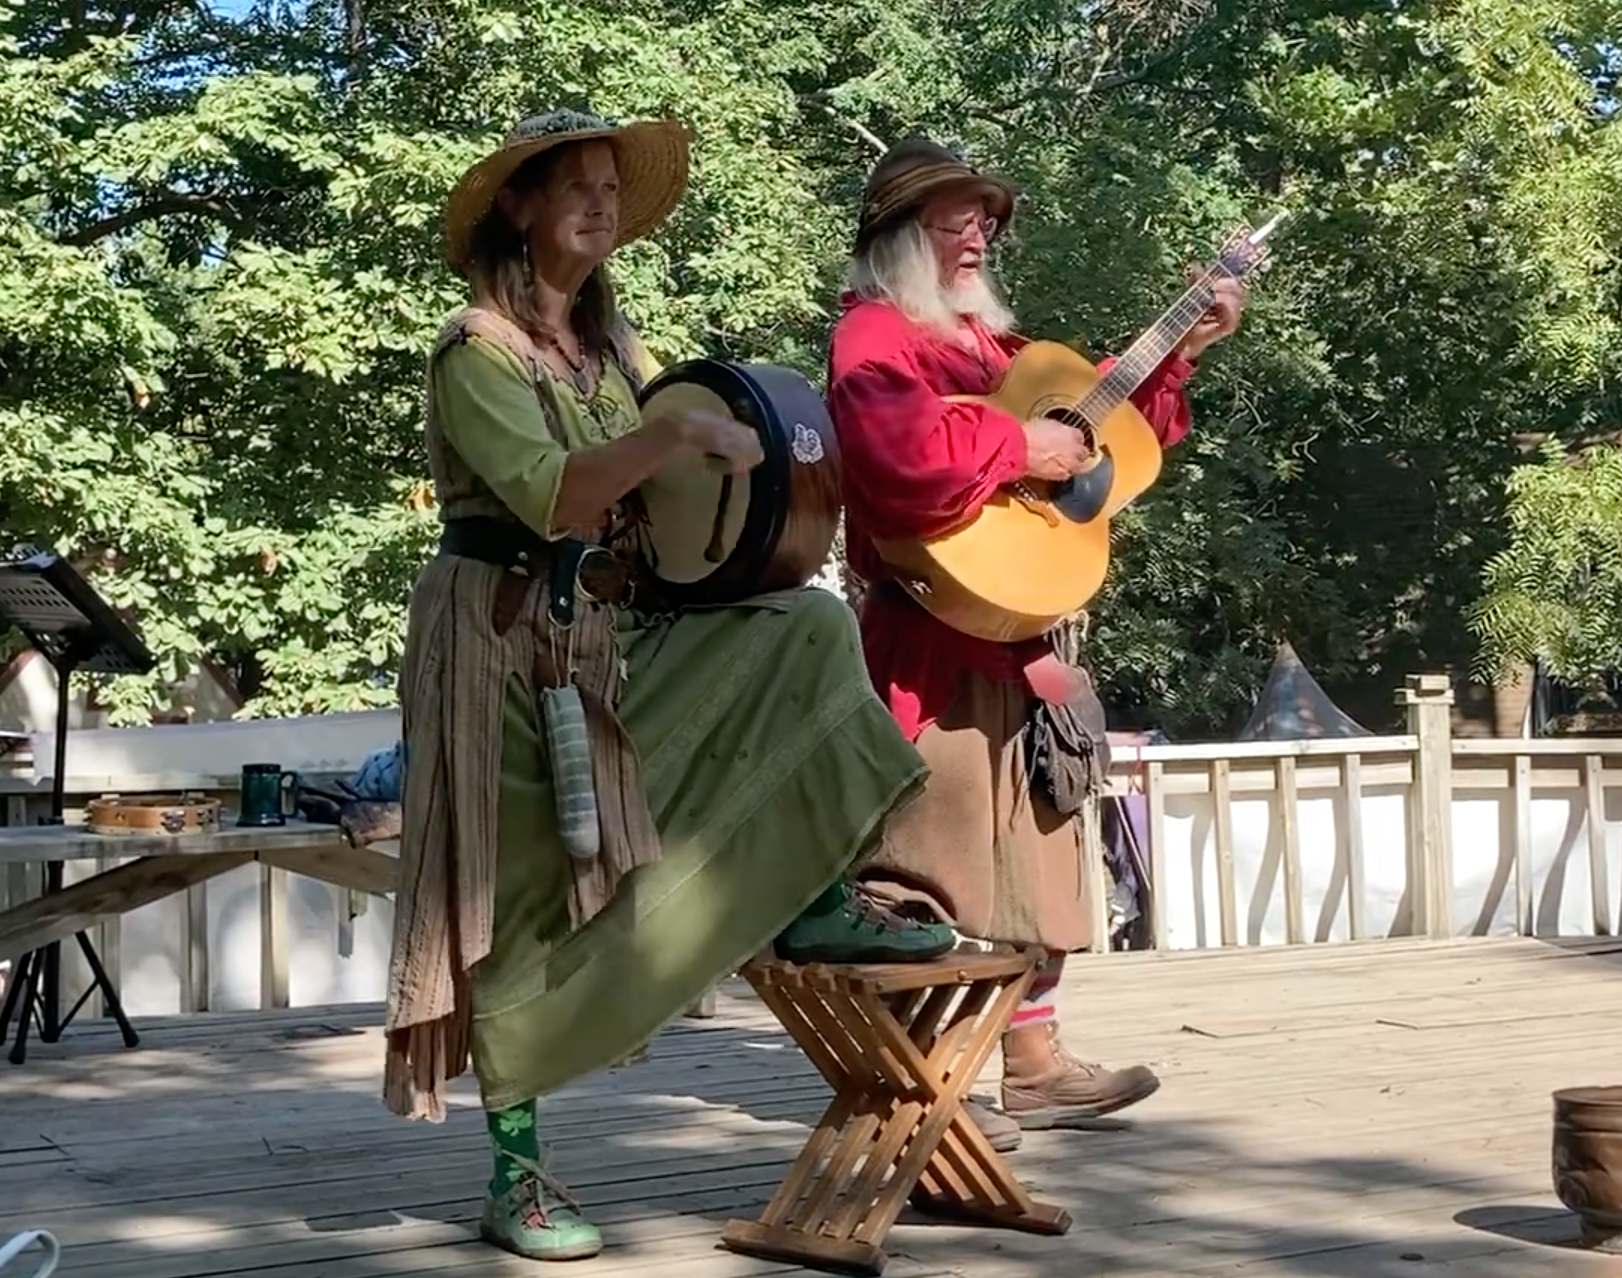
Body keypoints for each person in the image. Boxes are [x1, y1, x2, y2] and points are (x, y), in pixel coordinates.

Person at [382, 109, 957, 1265]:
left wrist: (733, 475)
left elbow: (667, 484)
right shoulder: (475, 348)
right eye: (577, 188)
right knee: (518, 893)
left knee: (803, 626)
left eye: (611, 188)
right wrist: (674, 439)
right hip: (494, 639)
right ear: (518, 207)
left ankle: (812, 891)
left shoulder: (611, 347)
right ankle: (515, 1175)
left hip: (608, 628)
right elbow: (553, 494)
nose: (601, 205)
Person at [827, 137, 1245, 1151]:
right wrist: (1019, 444)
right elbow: (893, 459)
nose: (978, 232)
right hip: (928, 646)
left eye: (985, 217)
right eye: (954, 216)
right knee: (925, 866)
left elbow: (1101, 427)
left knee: (1038, 856)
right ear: (897, 234)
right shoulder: (873, 335)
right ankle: (925, 1080)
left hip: (1020, 636)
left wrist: (1181, 347)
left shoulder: (993, 351)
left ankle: (1032, 1063)